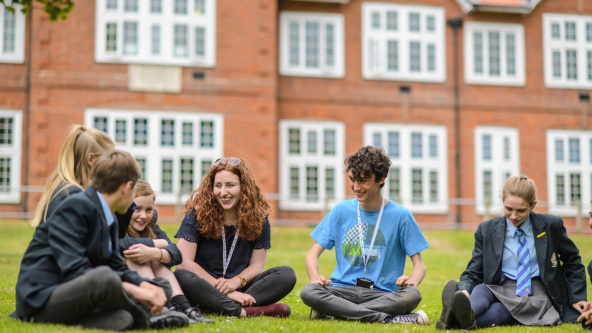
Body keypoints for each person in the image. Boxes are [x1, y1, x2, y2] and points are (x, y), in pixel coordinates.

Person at [11, 150, 189, 330]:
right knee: (104, 279)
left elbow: (114, 264)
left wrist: (144, 285)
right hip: (43, 298)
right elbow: (77, 271)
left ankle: (119, 318)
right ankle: (147, 316)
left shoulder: (108, 214)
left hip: (82, 293)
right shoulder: (76, 206)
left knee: (160, 287)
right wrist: (136, 291)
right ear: (127, 187)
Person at [300, 145, 430, 325]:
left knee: (412, 295)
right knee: (309, 291)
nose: (356, 186)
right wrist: (315, 277)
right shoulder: (340, 211)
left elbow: (420, 266)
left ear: (381, 178)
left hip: (382, 294)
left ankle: (335, 312)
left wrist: (412, 281)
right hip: (341, 291)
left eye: (363, 181)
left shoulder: (401, 215)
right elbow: (312, 255)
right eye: (352, 179)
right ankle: (386, 318)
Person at [437, 176, 587, 330]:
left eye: (521, 210)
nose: (514, 216)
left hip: (536, 292)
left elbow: (573, 262)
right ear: (502, 202)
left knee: (500, 310)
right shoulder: (487, 229)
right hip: (502, 287)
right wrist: (464, 290)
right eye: (509, 209)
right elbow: (474, 270)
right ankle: (465, 313)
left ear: (533, 205)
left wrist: (577, 296)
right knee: (481, 289)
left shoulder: (551, 226)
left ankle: (453, 318)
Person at [174, 157, 297, 318]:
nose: (223, 192)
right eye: (218, 186)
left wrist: (235, 283)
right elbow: (184, 263)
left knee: (286, 274)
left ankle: (214, 306)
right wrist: (223, 290)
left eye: (230, 185)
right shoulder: (196, 215)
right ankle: (245, 310)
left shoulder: (259, 219)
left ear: (243, 187)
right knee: (181, 276)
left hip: (241, 287)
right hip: (203, 284)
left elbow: (257, 265)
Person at [120, 180, 212, 324]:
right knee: (138, 255)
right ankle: (165, 308)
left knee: (157, 258)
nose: (143, 216)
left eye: (148, 210)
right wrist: (157, 244)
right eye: (137, 209)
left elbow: (176, 253)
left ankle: (185, 309)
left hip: (150, 279)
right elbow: (122, 244)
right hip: (126, 286)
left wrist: (156, 253)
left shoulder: (150, 225)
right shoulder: (117, 223)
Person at [31, 124, 114, 226]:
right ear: (91, 159)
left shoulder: (65, 188)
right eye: (109, 159)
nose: (113, 165)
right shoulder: (73, 195)